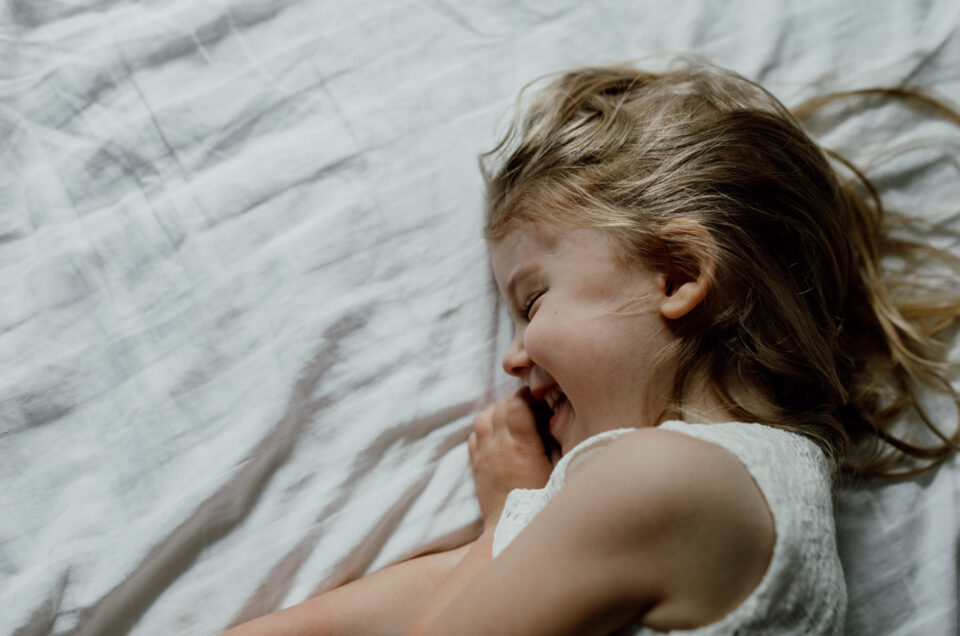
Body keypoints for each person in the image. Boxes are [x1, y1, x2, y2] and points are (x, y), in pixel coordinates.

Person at [223, 61, 960, 635]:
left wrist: (513, 503)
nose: (514, 359)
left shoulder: (672, 483)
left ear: (680, 275)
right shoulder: (693, 493)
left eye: (533, 300)